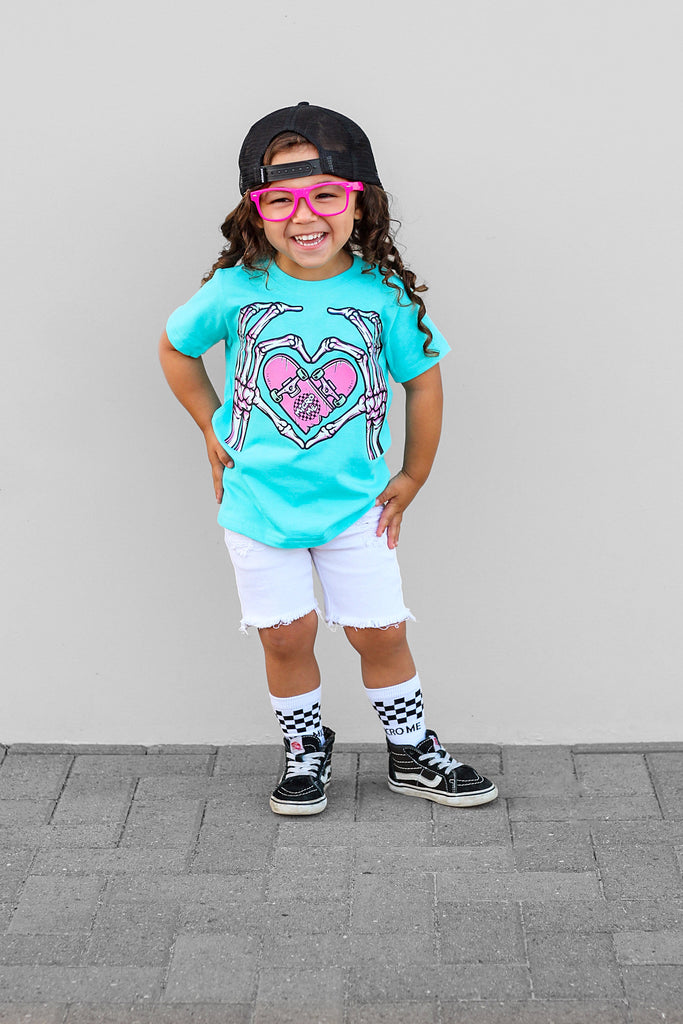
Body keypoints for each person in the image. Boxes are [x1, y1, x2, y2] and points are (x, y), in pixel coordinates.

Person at [159, 102, 498, 816]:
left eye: (325, 196)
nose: (303, 215)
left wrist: (413, 474)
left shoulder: (382, 296)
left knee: (381, 632)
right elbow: (176, 348)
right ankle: (304, 749)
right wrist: (210, 425)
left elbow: (423, 380)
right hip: (257, 506)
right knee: (286, 637)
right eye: (280, 199)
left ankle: (410, 750)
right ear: (255, 212)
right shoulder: (236, 289)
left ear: (359, 204)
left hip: (355, 506)